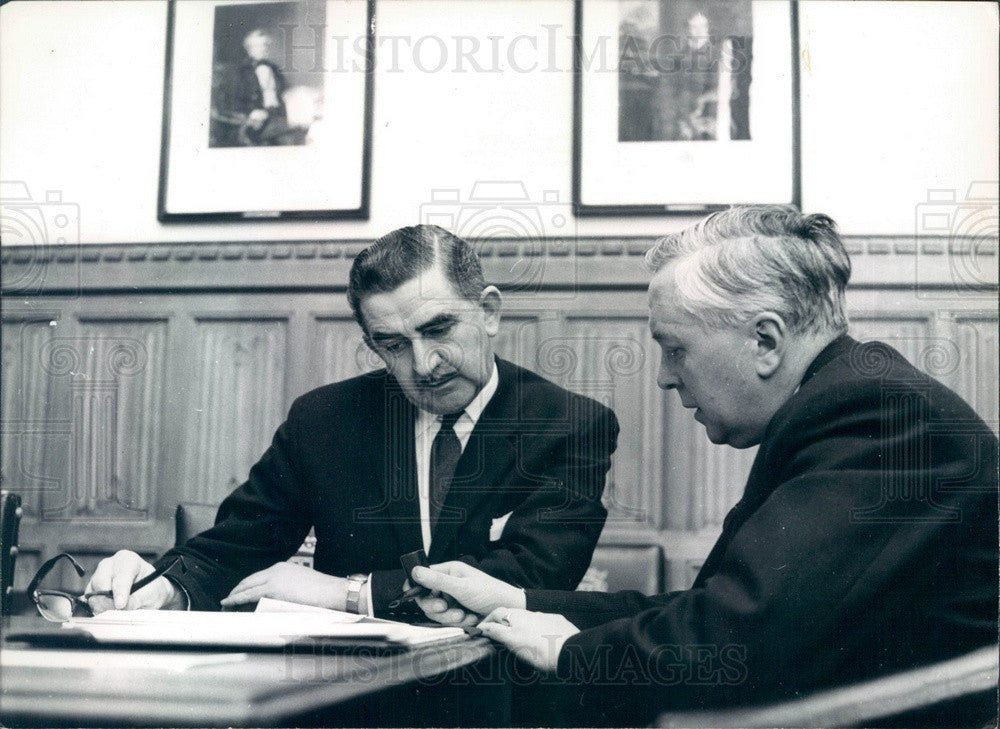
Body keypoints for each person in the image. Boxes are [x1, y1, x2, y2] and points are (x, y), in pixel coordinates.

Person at [411, 206, 999, 726]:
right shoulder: (848, 403)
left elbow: (735, 640)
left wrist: (568, 651)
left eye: (676, 348)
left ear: (765, 341)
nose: (665, 376)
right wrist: (515, 601)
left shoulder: (874, 417)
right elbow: (714, 609)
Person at [85, 225, 619, 618]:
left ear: (489, 312)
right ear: (372, 345)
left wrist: (350, 593)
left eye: (439, 329)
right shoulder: (325, 421)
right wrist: (162, 584)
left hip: (496, 702)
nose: (425, 365)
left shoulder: (570, 424)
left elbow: (532, 578)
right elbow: (231, 549)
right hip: (349, 699)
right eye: (394, 345)